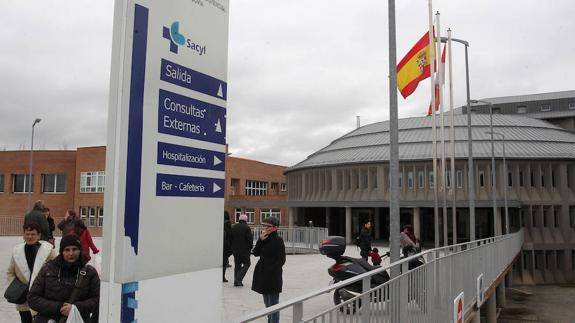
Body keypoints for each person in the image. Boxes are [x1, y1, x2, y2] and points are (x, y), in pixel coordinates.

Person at [28, 234, 100, 323]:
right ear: (61, 252)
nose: (71, 253)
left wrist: (75, 308)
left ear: (80, 251)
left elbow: (97, 299)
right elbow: (32, 298)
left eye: (74, 249)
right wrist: (59, 307)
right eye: (67, 250)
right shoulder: (47, 269)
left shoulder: (90, 272)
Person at [6, 223, 57, 323]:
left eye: (33, 234)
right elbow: (10, 272)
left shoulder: (48, 250)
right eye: (27, 234)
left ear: (39, 235)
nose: (30, 236)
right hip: (23, 299)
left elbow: (58, 268)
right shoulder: (17, 251)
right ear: (23, 235)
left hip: (43, 297)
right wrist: (17, 288)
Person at [251, 217, 286, 323]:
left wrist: (271, 270)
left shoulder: (278, 241)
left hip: (272, 276)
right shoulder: (263, 238)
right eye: (264, 225)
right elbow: (256, 253)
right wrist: (260, 240)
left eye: (268, 226)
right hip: (262, 274)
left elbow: (281, 260)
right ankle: (270, 320)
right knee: (267, 304)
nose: (266, 228)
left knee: (273, 304)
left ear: (275, 228)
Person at [230, 214, 253, 286]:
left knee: (237, 265)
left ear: (239, 219)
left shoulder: (233, 227)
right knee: (247, 264)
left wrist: (232, 247)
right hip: (245, 250)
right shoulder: (247, 228)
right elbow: (249, 240)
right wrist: (250, 248)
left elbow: (230, 239)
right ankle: (238, 278)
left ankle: (236, 282)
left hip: (235, 250)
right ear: (246, 220)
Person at [222, 211, 232, 282]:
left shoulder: (218, 223)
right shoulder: (228, 225)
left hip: (220, 247)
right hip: (225, 247)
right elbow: (229, 237)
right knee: (224, 263)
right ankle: (222, 277)